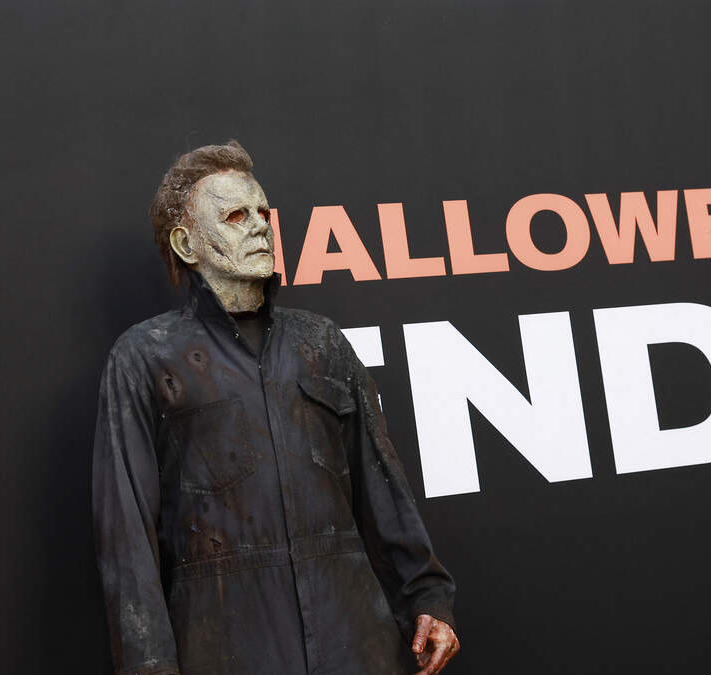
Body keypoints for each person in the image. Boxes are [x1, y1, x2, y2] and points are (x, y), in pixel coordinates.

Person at [92, 140, 458, 674]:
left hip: (355, 638)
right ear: (186, 244)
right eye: (236, 216)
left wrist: (427, 597)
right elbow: (126, 532)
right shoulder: (145, 356)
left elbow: (382, 485)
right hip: (229, 643)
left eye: (263, 213)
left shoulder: (321, 342)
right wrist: (149, 664)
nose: (261, 227)